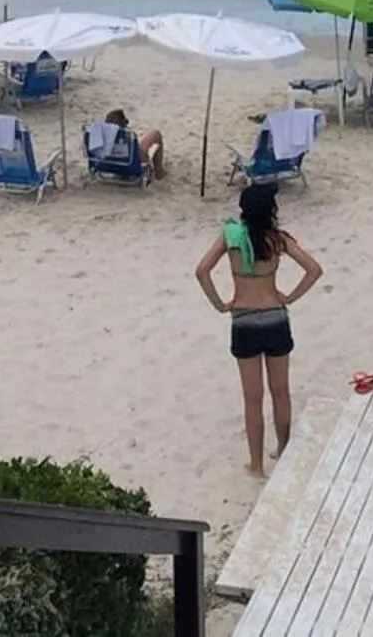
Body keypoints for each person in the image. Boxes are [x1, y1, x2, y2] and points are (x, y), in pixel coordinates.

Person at [194, 181, 322, 476]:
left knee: (253, 399)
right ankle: (283, 449)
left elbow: (202, 271)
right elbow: (314, 269)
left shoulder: (231, 236)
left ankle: (256, 464)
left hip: (244, 320)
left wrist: (220, 304)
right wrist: (290, 297)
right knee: (281, 391)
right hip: (275, 317)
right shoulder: (277, 239)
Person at [105, 109, 166, 176]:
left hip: (110, 168)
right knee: (155, 134)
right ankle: (159, 173)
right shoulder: (128, 139)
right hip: (131, 169)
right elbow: (142, 157)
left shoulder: (103, 142)